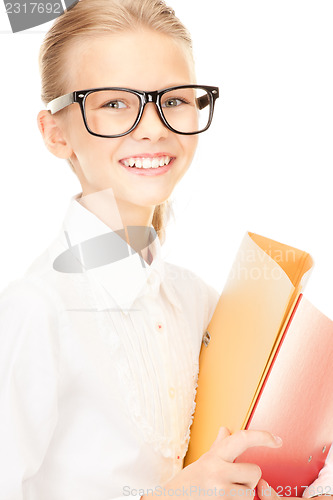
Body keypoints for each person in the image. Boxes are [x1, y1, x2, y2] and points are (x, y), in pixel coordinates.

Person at [0, 0, 332, 499]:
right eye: (114, 103)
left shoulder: (199, 300)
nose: (153, 127)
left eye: (174, 99)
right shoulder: (35, 311)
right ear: (55, 133)